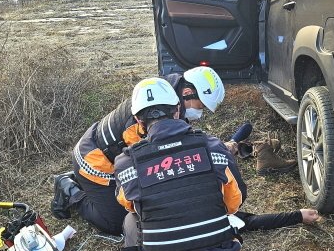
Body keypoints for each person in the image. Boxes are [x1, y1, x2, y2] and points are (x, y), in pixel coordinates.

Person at [115, 77, 246, 251]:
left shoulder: (127, 162)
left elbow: (128, 203)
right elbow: (234, 204)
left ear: (138, 121)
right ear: (177, 111)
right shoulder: (213, 147)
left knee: (130, 220)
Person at [50, 67, 226, 234]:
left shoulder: (166, 94)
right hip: (95, 161)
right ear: (187, 93)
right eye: (201, 106)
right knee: (116, 222)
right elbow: (145, 162)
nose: (200, 113)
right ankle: (69, 188)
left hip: (112, 154)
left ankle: (85, 184)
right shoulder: (145, 119)